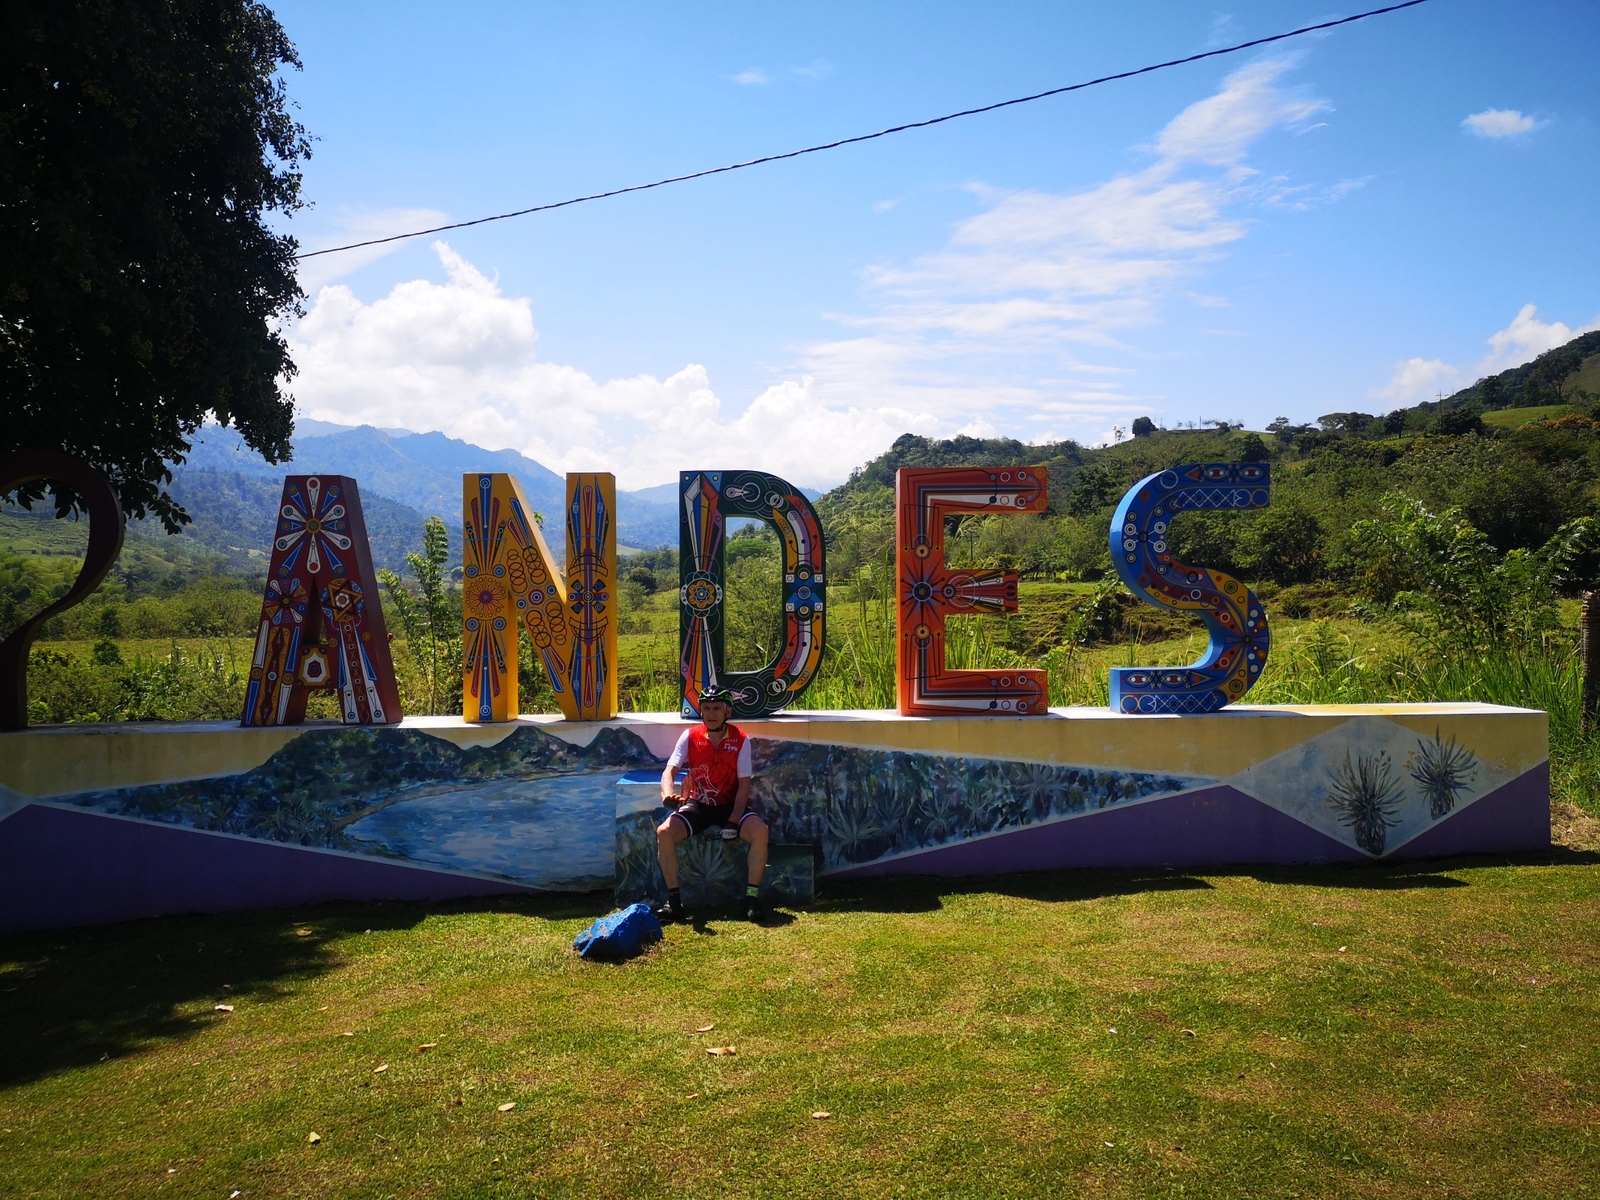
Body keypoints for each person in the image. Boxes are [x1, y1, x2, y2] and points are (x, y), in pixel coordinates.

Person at [654, 686, 769, 923]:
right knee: (664, 832)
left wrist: (733, 821)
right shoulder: (690, 736)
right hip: (698, 804)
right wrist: (667, 794)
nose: (711, 713)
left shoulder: (741, 739)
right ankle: (674, 902)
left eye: (717, 708)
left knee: (760, 831)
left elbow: (744, 785)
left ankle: (751, 898)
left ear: (728, 711)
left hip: (730, 805)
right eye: (706, 708)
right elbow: (669, 770)